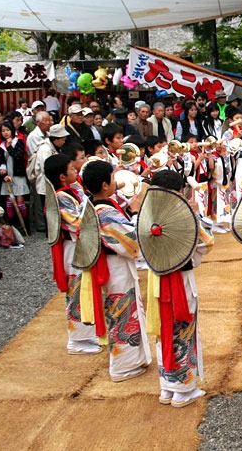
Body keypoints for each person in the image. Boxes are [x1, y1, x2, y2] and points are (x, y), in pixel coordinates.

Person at [141, 170, 214, 408]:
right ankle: (183, 389)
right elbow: (206, 241)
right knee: (182, 330)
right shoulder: (184, 218)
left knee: (164, 332)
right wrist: (193, 213)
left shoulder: (144, 217)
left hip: (157, 280)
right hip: (180, 280)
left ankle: (166, 387)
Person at [81, 160, 151, 381]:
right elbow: (131, 242)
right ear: (104, 185)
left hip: (112, 265)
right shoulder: (105, 212)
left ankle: (131, 360)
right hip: (116, 267)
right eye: (112, 178)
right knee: (122, 312)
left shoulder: (94, 205)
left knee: (124, 310)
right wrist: (137, 213)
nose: (116, 181)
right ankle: (122, 366)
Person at [44, 154, 100, 355]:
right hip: (74, 248)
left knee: (87, 288)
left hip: (82, 246)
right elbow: (76, 223)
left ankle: (88, 331)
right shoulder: (61, 197)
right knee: (76, 291)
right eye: (71, 169)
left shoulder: (74, 190)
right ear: (61, 176)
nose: (76, 171)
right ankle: (76, 339)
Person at [0, 122, 30, 226]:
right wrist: (3, 172)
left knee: (20, 200)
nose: (6, 133)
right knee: (9, 200)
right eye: (3, 131)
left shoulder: (19, 142)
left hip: (18, 174)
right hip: (8, 176)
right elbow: (0, 160)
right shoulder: (1, 146)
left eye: (7, 130)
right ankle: (13, 224)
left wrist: (9, 147)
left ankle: (25, 224)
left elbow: (19, 156)